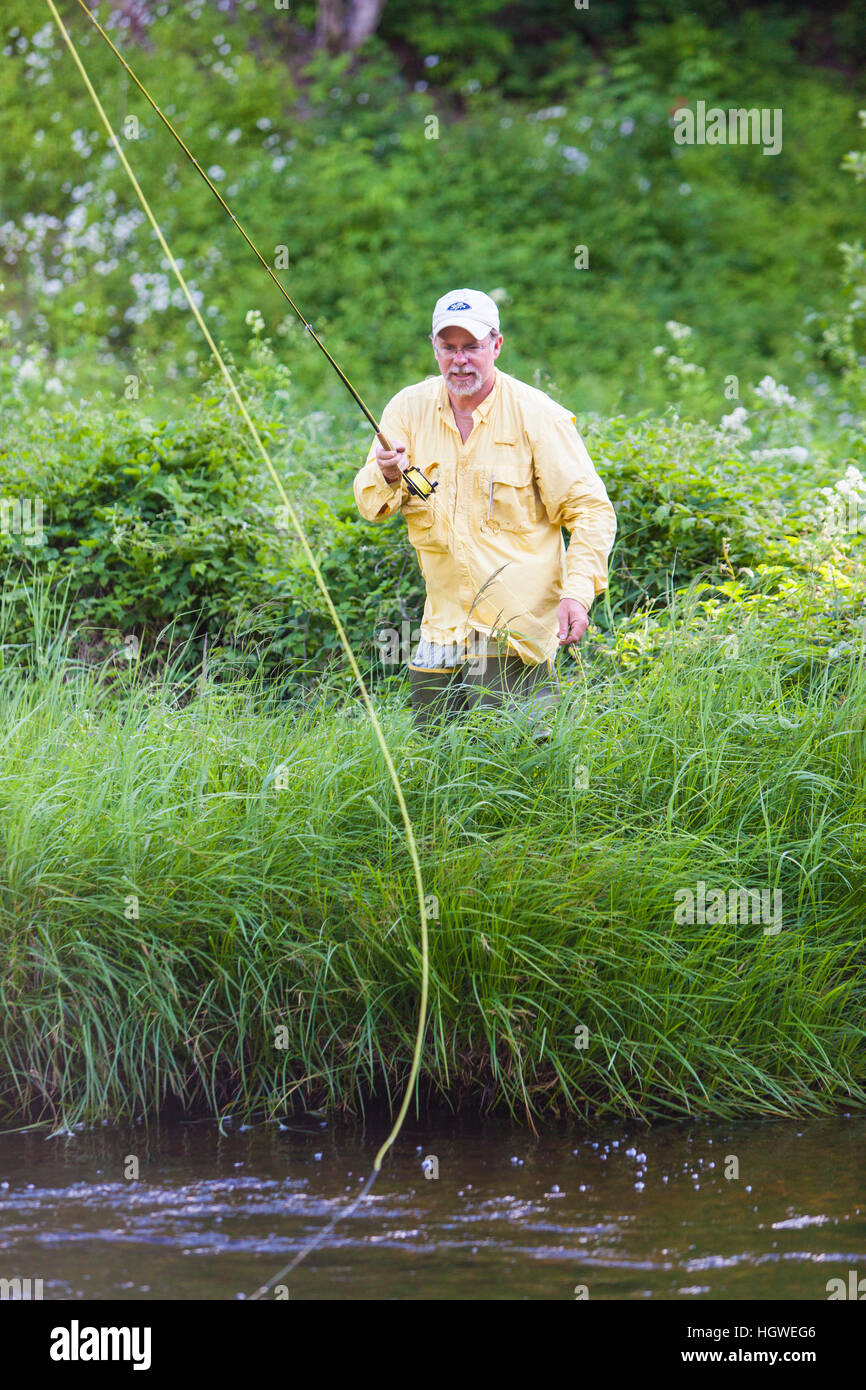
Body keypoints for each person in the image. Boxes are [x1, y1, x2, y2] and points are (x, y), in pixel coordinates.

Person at [353, 288, 617, 735]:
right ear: (434, 348)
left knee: (517, 767)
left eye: (472, 347)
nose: (460, 361)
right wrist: (389, 474)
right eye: (449, 348)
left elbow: (591, 511)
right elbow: (370, 504)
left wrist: (577, 593)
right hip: (440, 629)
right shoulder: (407, 408)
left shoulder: (539, 416)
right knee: (438, 766)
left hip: (514, 632)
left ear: (496, 345)